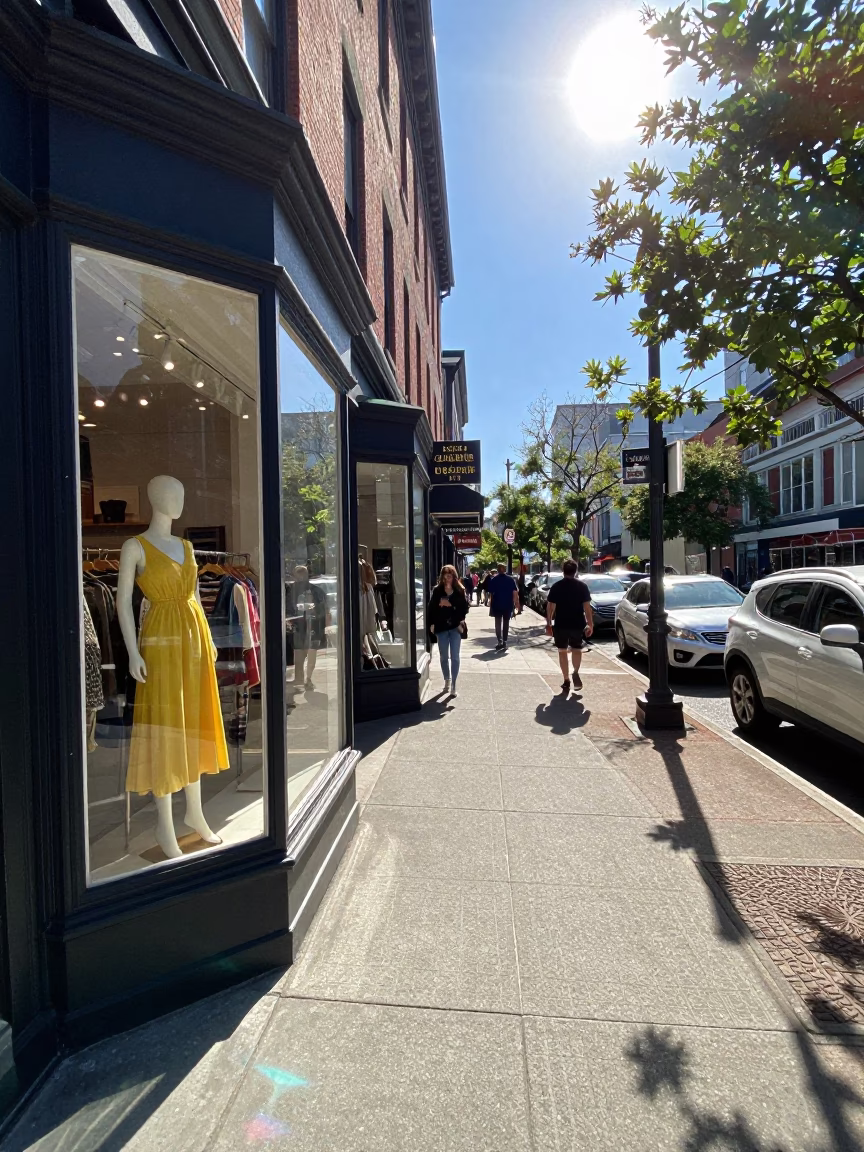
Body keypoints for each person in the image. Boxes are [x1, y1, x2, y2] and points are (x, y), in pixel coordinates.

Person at [545, 559, 593, 692]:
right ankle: (575, 671)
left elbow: (550, 607)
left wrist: (549, 624)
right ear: (575, 571)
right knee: (576, 649)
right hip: (577, 624)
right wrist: (590, 624)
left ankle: (566, 679)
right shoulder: (582, 587)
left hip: (561, 624)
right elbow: (587, 608)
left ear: (563, 571)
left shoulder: (556, 586)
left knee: (562, 651)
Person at [427, 564, 469, 696]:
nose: (447, 577)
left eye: (450, 574)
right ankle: (447, 680)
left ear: (454, 576)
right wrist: (431, 624)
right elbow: (431, 609)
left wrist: (451, 604)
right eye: (445, 574)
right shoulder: (437, 590)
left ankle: (454, 685)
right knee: (444, 657)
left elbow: (464, 609)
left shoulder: (459, 590)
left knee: (455, 657)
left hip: (455, 627)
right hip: (441, 628)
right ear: (442, 576)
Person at [286, 564, 329, 690]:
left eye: (302, 576)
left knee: (310, 653)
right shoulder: (291, 591)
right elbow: (287, 609)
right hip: (298, 626)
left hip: (312, 625)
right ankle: (300, 678)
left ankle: (307, 678)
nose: (300, 579)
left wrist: (316, 613)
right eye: (298, 576)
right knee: (300, 654)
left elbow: (323, 609)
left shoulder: (316, 591)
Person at [488, 562, 520, 651]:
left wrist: (490, 603)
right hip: (508, 604)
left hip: (497, 604)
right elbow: (515, 592)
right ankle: (505, 642)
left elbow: (491, 593)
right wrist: (516, 603)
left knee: (498, 623)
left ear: (498, 570)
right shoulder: (510, 580)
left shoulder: (494, 580)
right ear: (505, 569)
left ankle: (499, 641)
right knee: (506, 623)